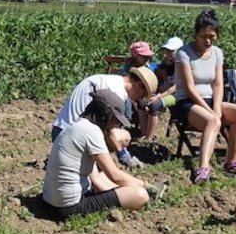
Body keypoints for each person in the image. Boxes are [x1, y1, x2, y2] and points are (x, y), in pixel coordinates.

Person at [42, 88, 162, 218]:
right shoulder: (92, 132)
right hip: (68, 207)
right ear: (106, 115)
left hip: (50, 202)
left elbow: (96, 179)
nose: (117, 124)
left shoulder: (78, 126)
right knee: (140, 195)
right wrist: (144, 185)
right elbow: (115, 176)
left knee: (103, 176)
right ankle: (145, 193)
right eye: (116, 119)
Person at [174, 9, 236, 183]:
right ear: (196, 35)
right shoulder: (184, 53)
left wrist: (216, 107)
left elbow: (217, 84)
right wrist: (210, 111)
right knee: (213, 121)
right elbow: (189, 87)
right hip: (188, 102)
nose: (208, 40)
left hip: (210, 100)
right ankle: (203, 168)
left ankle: (232, 160)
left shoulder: (217, 53)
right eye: (204, 36)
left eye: (212, 36)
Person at [53, 67, 159, 166]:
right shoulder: (116, 92)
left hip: (60, 129)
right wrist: (123, 154)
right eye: (142, 95)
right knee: (124, 136)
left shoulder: (111, 80)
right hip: (72, 138)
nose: (139, 99)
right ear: (138, 85)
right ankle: (93, 162)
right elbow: (109, 131)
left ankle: (93, 162)